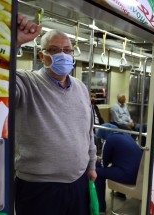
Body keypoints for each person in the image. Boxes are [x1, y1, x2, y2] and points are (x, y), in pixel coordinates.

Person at [15, 14, 97, 215]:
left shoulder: (80, 87)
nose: (63, 54)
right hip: (39, 188)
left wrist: (92, 165)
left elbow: (88, 131)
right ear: (42, 56)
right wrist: (12, 43)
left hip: (79, 182)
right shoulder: (26, 83)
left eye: (67, 50)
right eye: (54, 50)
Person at [95, 123, 143, 213]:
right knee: (118, 164)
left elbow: (103, 164)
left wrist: (96, 159)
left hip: (129, 176)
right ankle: (121, 193)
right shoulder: (125, 135)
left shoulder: (109, 140)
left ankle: (100, 207)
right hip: (139, 176)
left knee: (97, 172)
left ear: (103, 135)